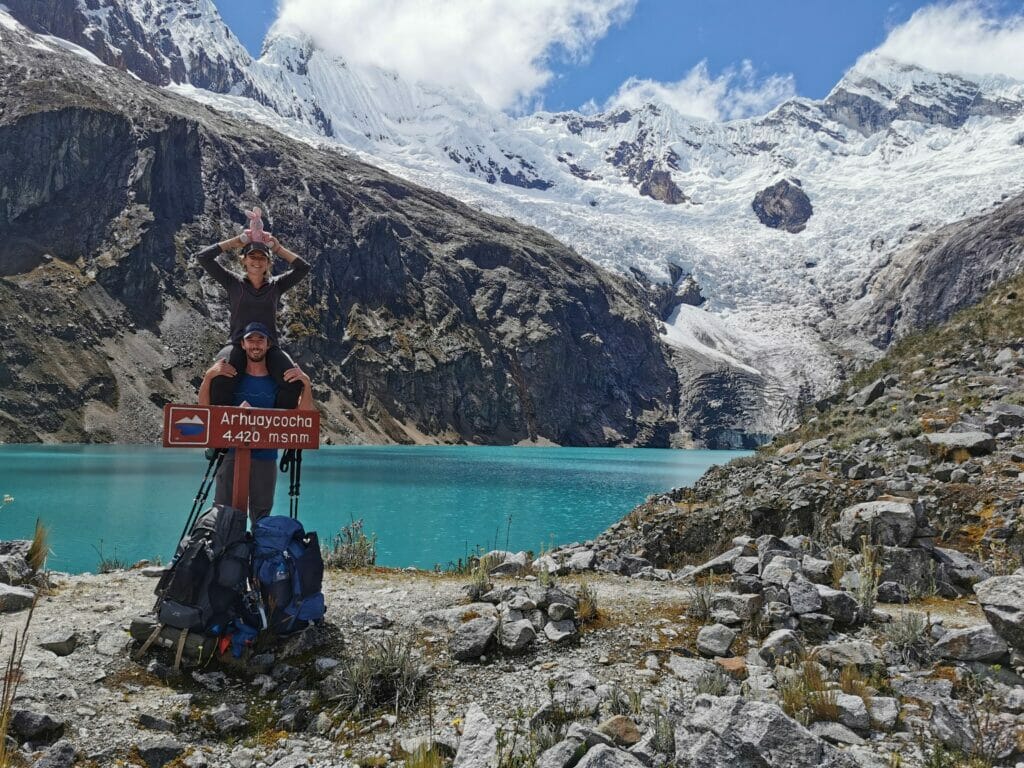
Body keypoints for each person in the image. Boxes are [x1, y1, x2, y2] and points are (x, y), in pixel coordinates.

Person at [198, 322, 314, 522]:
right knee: (223, 514)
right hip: (230, 454)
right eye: (250, 340)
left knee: (261, 516)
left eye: (260, 340)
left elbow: (302, 418)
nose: (255, 345)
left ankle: (258, 552)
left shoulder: (277, 381)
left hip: (265, 457)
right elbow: (205, 411)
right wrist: (208, 377)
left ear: (268, 345)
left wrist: (306, 383)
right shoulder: (231, 377)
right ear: (242, 345)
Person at [195, 223, 311, 409]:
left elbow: (303, 268)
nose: (257, 261)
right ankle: (224, 428)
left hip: (269, 345)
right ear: (244, 260)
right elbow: (203, 257)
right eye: (252, 256)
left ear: (268, 263)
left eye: (262, 258)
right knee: (219, 378)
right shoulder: (233, 282)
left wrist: (278, 248)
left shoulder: (276, 285)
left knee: (293, 380)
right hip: (236, 343)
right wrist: (237, 241)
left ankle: (278, 429)